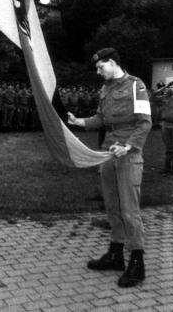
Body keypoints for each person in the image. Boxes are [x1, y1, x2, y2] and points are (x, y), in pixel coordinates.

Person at [67, 47, 152, 288]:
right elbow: (101, 120)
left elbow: (145, 124)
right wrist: (79, 122)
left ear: (113, 62)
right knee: (112, 207)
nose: (98, 71)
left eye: (100, 67)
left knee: (129, 210)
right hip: (107, 153)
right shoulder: (105, 89)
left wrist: (128, 146)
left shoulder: (136, 86)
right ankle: (116, 255)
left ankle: (137, 263)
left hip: (128, 155)